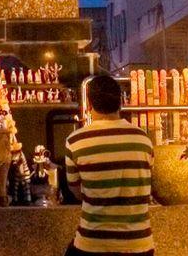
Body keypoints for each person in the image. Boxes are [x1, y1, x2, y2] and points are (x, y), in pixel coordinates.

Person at [63, 74, 156, 256]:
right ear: (120, 102)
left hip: (92, 244)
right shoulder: (143, 140)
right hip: (139, 245)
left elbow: (76, 191)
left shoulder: (75, 141)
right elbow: (146, 184)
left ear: (89, 104)